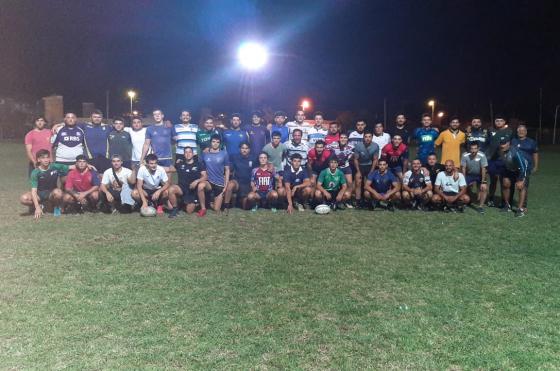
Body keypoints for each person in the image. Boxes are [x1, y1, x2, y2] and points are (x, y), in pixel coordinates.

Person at [20, 149, 68, 218]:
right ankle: (38, 206)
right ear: (39, 160)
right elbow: (34, 191)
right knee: (23, 198)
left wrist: (86, 165)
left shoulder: (54, 166)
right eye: (43, 158)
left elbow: (71, 167)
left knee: (58, 192)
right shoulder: (35, 172)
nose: (46, 160)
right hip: (39, 194)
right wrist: (37, 207)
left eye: (47, 157)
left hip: (51, 193)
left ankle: (56, 207)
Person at [167, 147, 210, 218]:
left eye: (190, 152)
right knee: (171, 189)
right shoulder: (179, 164)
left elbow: (205, 176)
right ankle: (175, 209)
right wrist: (155, 166)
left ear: (193, 154)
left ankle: (195, 202)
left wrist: (197, 181)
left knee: (189, 211)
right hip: (182, 188)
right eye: (186, 152)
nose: (188, 154)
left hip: (192, 191)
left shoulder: (198, 164)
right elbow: (170, 169)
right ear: (184, 154)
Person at [484, 114, 513, 206]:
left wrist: (508, 146)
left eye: (501, 121)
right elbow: (486, 142)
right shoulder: (490, 130)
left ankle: (504, 201)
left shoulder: (509, 131)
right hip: (492, 159)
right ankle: (491, 199)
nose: (499, 122)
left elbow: (514, 142)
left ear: (504, 122)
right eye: (497, 121)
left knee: (503, 181)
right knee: (493, 180)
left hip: (503, 160)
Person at [499, 139, 529, 217]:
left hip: (521, 170)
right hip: (510, 170)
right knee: (505, 183)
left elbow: (523, 167)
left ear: (508, 143)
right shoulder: (501, 150)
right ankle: (507, 206)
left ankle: (520, 209)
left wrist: (521, 179)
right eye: (501, 144)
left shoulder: (515, 152)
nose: (502, 145)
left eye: (504, 143)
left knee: (520, 187)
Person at [201, 135, 230, 213]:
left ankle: (213, 200)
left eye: (218, 142)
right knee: (201, 185)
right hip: (209, 182)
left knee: (216, 209)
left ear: (220, 143)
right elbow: (202, 168)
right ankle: (204, 205)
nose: (215, 144)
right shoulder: (205, 153)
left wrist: (226, 185)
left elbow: (227, 170)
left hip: (219, 183)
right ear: (210, 142)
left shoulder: (224, 154)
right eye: (213, 141)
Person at [224, 142, 255, 211]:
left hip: (247, 183)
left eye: (246, 148)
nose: (244, 150)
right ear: (240, 149)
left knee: (245, 207)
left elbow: (259, 168)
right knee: (230, 185)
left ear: (249, 150)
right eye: (242, 148)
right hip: (237, 182)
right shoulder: (234, 157)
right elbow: (229, 168)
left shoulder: (253, 158)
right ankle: (226, 206)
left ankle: (241, 201)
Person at [353, 131, 379, 208]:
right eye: (366, 137)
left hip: (370, 165)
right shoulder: (358, 146)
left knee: (368, 183)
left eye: (369, 136)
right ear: (363, 137)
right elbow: (355, 159)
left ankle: (369, 200)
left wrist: (371, 171)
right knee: (358, 181)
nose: (367, 138)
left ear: (372, 137)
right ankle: (358, 201)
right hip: (360, 165)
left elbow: (375, 160)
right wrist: (358, 171)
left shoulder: (375, 146)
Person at [328, 132, 355, 207]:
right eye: (341, 138)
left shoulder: (351, 146)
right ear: (339, 139)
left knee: (349, 182)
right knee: (335, 184)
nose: (343, 139)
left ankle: (347, 200)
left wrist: (352, 156)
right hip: (336, 167)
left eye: (345, 138)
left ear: (347, 139)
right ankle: (333, 200)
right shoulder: (334, 145)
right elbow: (325, 148)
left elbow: (355, 154)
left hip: (346, 166)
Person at [461, 142, 488, 213]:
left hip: (479, 175)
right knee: (463, 187)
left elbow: (483, 169)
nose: (473, 150)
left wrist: (483, 181)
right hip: (469, 174)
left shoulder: (482, 155)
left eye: (475, 149)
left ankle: (480, 206)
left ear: (478, 149)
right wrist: (463, 180)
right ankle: (465, 202)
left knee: (484, 188)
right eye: (472, 149)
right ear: (469, 149)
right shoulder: (465, 155)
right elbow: (463, 168)